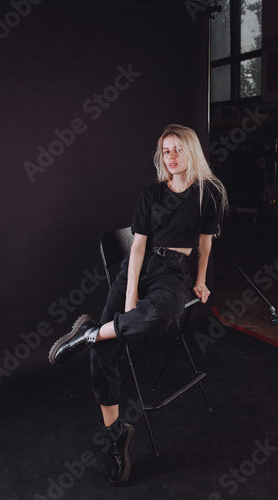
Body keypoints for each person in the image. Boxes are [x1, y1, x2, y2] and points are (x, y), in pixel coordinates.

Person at [48, 124, 228, 486]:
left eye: (178, 149)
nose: (171, 156)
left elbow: (205, 244)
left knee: (159, 314)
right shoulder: (151, 195)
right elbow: (138, 247)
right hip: (139, 269)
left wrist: (201, 279)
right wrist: (130, 294)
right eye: (165, 151)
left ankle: (88, 332)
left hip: (172, 274)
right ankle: (115, 434)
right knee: (103, 352)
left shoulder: (208, 195)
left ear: (191, 152)